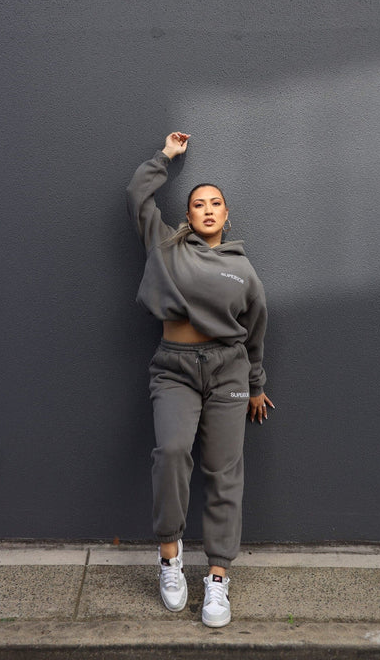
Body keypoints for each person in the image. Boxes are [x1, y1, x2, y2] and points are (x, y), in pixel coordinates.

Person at [126, 132, 274, 628]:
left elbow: (255, 330)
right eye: (197, 204)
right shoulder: (166, 244)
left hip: (229, 369)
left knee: (224, 469)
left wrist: (255, 384)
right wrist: (165, 157)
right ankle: (170, 559)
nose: (206, 210)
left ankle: (217, 577)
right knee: (171, 451)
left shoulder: (242, 267)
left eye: (215, 204)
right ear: (187, 216)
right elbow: (137, 196)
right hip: (175, 367)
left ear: (226, 215)